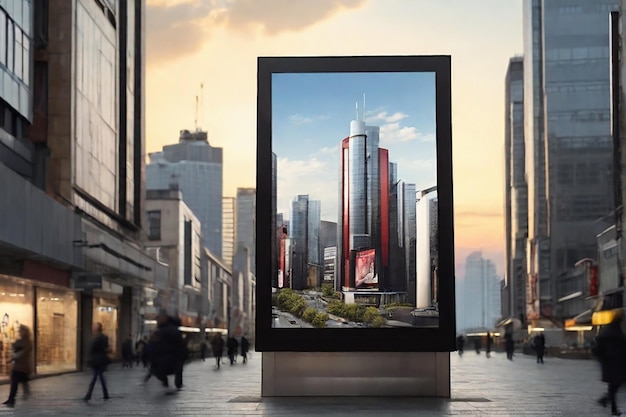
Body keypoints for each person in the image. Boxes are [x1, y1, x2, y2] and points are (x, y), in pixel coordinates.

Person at [594, 311, 626, 416]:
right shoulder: (614, 330)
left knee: (614, 386)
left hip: (613, 362)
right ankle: (611, 406)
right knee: (615, 385)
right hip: (614, 362)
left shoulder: (611, 328)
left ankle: (607, 402)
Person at [3, 325, 33, 408]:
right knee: (18, 382)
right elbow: (15, 346)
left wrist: (13, 357)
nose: (19, 332)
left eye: (20, 330)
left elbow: (22, 352)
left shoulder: (27, 342)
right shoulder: (20, 340)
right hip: (18, 366)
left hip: (22, 366)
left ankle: (12, 400)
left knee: (16, 383)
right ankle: (11, 399)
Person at [84, 322, 111, 402]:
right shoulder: (101, 337)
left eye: (94, 326)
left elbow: (95, 349)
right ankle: (105, 394)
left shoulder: (99, 338)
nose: (93, 328)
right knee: (99, 377)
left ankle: (89, 394)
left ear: (97, 328)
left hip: (97, 360)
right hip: (99, 360)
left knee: (96, 377)